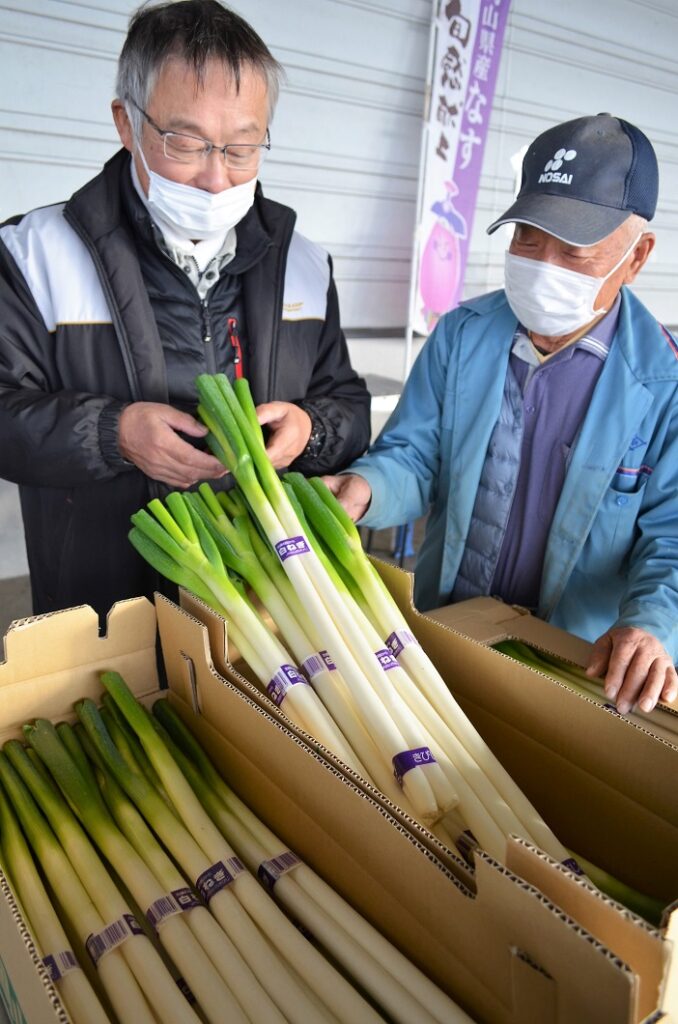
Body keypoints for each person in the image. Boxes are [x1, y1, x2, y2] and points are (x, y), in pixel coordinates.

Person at [0, 0, 370, 622]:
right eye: (187, 143)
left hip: (261, 606)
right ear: (126, 122)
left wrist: (312, 429)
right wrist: (112, 434)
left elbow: (348, 406)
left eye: (242, 148)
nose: (217, 179)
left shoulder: (301, 263)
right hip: (99, 609)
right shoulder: (34, 253)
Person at [327, 113, 678, 717]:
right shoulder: (463, 336)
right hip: (448, 634)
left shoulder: (664, 385)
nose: (544, 265)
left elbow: (670, 541)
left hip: (572, 664)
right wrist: (364, 489)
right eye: (528, 239)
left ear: (637, 256)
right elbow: (414, 457)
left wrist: (651, 625)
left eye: (574, 250)